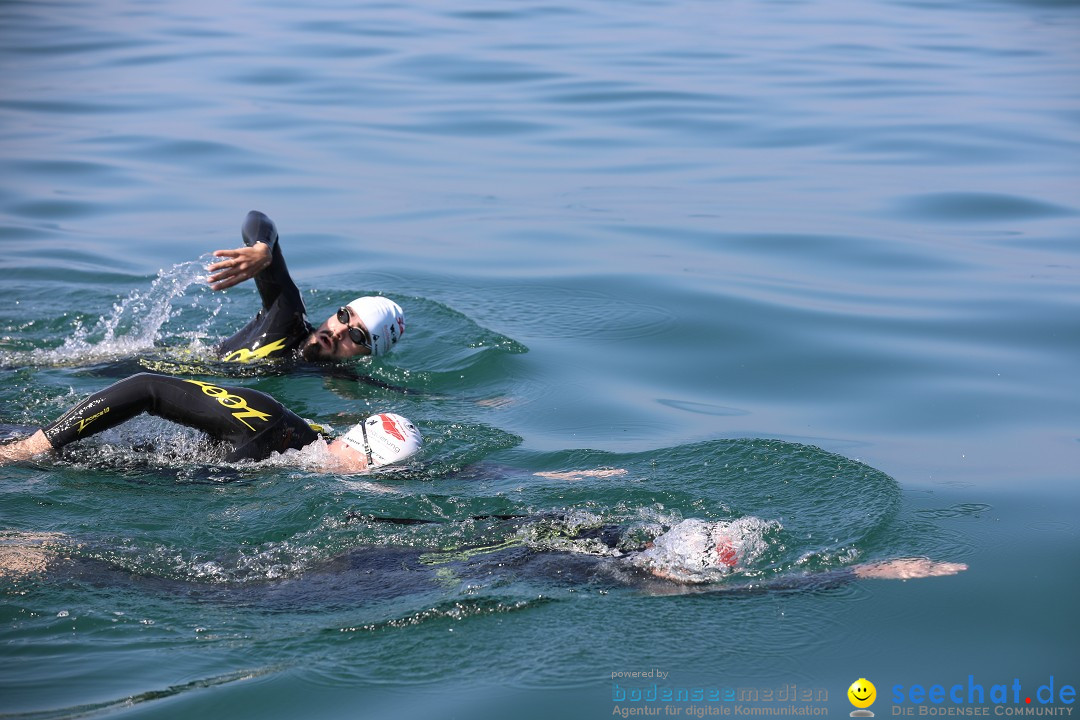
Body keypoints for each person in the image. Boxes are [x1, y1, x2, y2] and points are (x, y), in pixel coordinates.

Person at [0, 372, 422, 473]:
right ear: (361, 453)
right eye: (370, 472)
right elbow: (147, 387)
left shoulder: (300, 459)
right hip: (45, 456)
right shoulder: (267, 420)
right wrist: (40, 444)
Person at [207, 211, 405, 363]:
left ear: (366, 354)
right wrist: (262, 248)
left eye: (356, 335)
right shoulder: (287, 317)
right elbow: (256, 217)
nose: (338, 331)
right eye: (344, 316)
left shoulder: (340, 380)